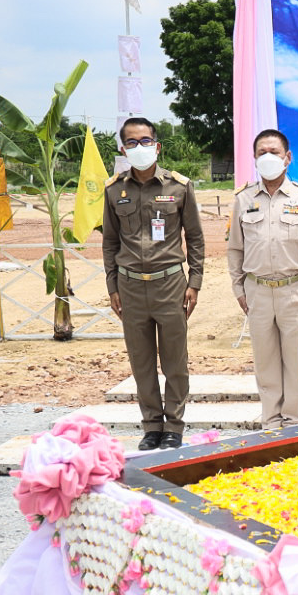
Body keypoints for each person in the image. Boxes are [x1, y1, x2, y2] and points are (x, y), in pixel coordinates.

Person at [102, 117, 204, 451]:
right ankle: (151, 426)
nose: (139, 147)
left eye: (145, 141)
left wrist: (195, 282)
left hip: (170, 283)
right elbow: (110, 243)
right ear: (123, 149)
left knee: (175, 361)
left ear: (157, 146)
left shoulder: (179, 186)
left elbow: (195, 238)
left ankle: (173, 426)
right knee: (141, 362)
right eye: (132, 142)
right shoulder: (114, 189)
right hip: (130, 287)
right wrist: (113, 287)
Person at [227, 129, 298, 429]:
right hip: (257, 290)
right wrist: (239, 288)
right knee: (265, 362)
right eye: (262, 153)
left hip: (295, 290)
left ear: (287, 157)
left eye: (274, 152)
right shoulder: (243, 198)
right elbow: (235, 248)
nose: (268, 158)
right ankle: (270, 421)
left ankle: (295, 423)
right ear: (254, 158)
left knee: (295, 362)